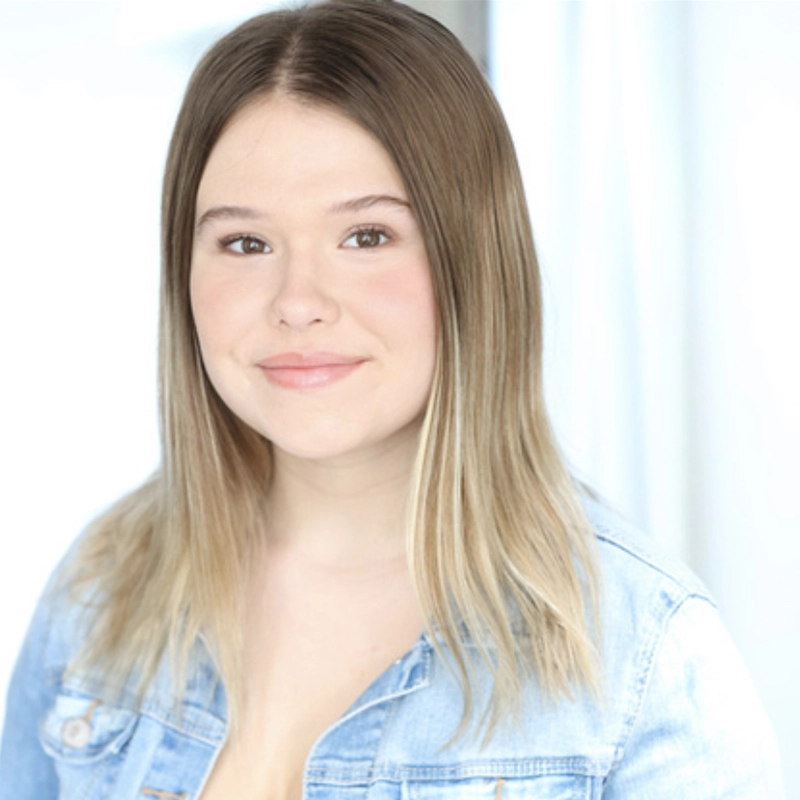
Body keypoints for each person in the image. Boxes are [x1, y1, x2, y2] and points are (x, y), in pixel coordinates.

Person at [0, 1, 784, 798]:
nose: (298, 301)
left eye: (366, 236)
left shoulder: (643, 655)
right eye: (246, 243)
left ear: (472, 261)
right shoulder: (103, 590)